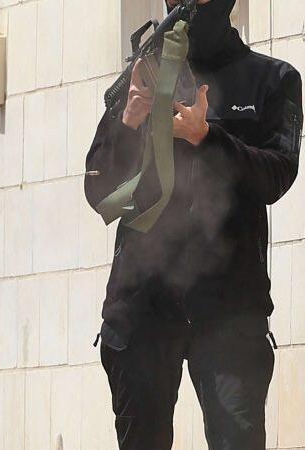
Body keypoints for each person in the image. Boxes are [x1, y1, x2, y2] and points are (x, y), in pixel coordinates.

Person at [84, 1, 302, 449]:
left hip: (229, 310)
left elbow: (277, 175)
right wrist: (129, 122)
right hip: (142, 308)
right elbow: (97, 188)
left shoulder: (272, 78)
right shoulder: (144, 74)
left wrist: (207, 138)